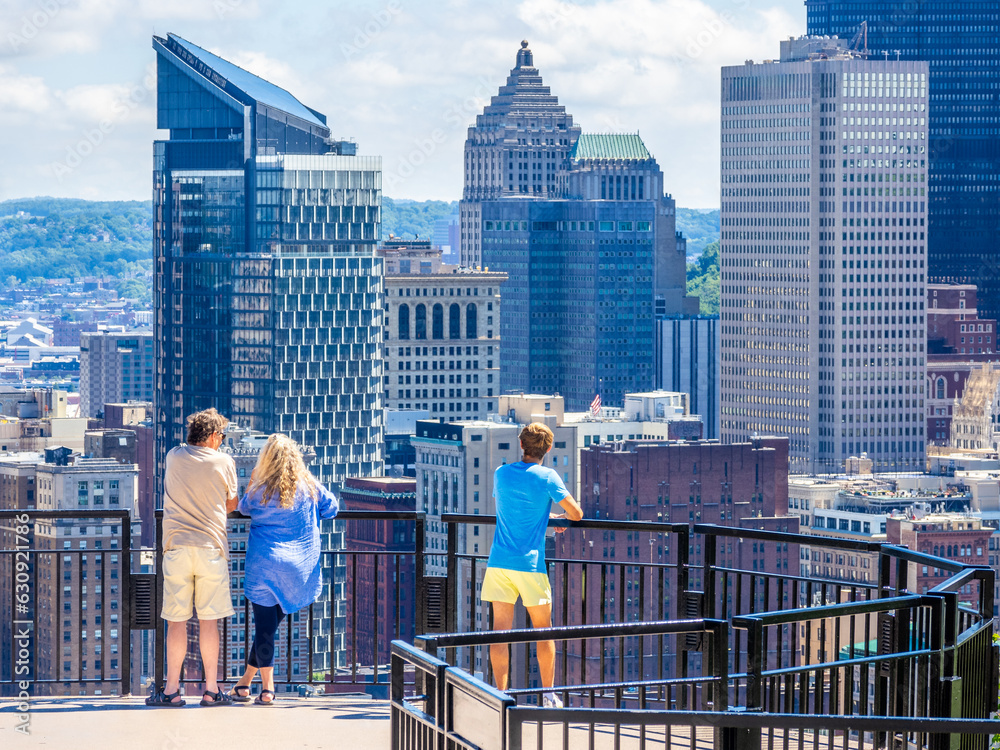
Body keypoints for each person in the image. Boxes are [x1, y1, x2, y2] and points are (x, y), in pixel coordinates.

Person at [229, 434, 339, 705]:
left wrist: (254, 480)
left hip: (264, 566)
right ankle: (244, 684)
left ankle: (267, 689)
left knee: (265, 629)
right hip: (298, 569)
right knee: (267, 629)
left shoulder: (260, 489)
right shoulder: (309, 485)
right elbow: (332, 508)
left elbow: (242, 508)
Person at [480, 422, 583, 708]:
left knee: (500, 630)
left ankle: (500, 693)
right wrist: (556, 519)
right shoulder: (548, 476)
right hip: (530, 565)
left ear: (521, 445)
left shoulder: (501, 474)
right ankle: (548, 695)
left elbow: (513, 508)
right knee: (543, 630)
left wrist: (546, 519)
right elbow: (576, 513)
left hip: (499, 561)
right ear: (548, 449)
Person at [147, 408, 238, 707]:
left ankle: (172, 691)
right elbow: (231, 504)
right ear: (212, 436)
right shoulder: (224, 462)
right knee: (209, 622)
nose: (222, 442)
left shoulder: (173, 456)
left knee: (176, 621)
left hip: (176, 547)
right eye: (221, 436)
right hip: (211, 547)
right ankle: (211, 690)